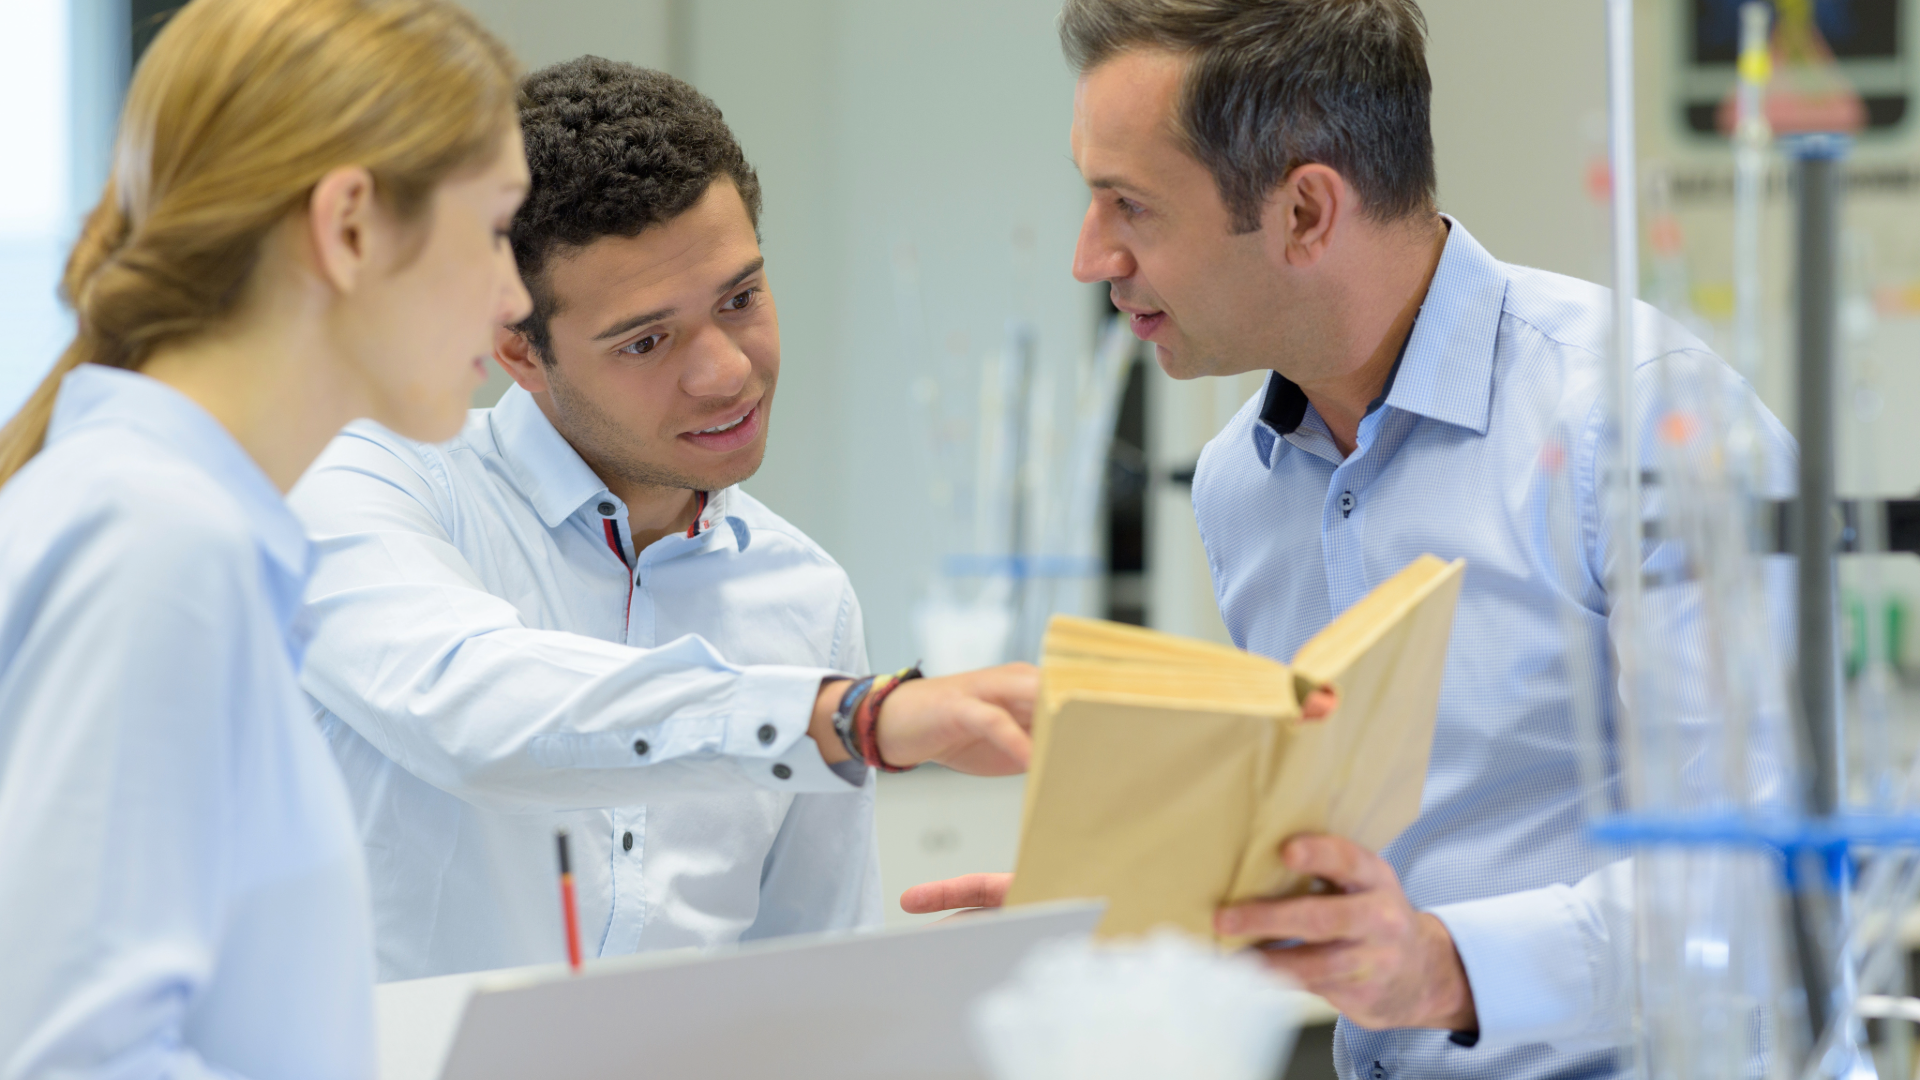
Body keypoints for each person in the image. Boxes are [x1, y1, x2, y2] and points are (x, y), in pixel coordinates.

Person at [903, 2, 1796, 1078]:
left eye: (1128, 206)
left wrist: (1442, 967)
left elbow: (1756, 886)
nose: (1093, 257)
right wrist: (1139, 919)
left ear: (1305, 213)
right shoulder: (1245, 483)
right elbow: (1322, 883)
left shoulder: (1640, 420)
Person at [287, 56, 1038, 982]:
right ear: (518, 349)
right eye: (647, 340)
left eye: (742, 298)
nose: (726, 371)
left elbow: (801, 979)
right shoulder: (375, 482)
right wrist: (842, 717)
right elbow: (470, 705)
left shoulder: (806, 598)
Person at [0, 0, 529, 1073]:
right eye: (496, 230)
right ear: (348, 227)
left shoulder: (163, 524)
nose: (515, 295)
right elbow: (75, 1057)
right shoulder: (155, 544)